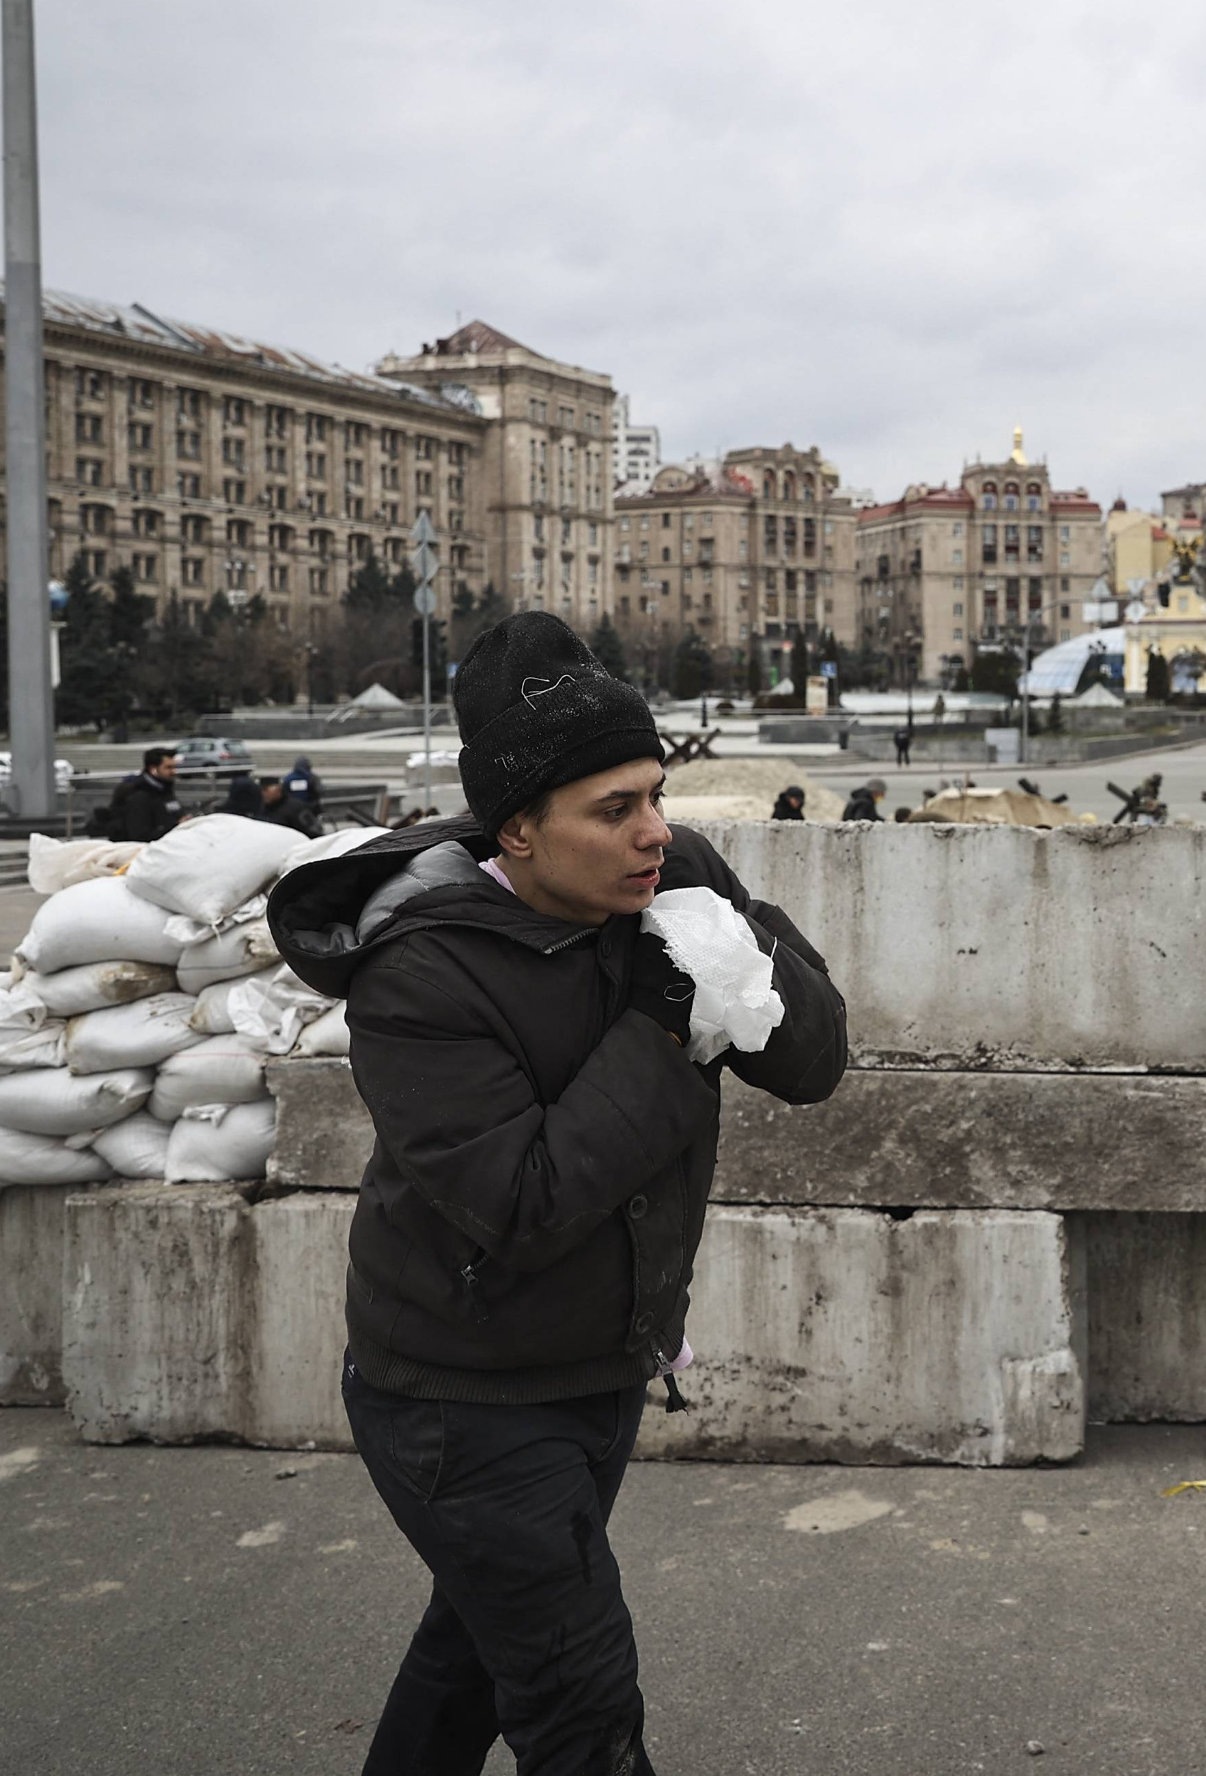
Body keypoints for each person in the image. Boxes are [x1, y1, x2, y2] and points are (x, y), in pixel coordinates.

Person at [266, 611, 847, 1775]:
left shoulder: (669, 877)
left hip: (596, 1365)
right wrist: (672, 1010)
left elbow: (812, 1061)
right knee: (579, 1703)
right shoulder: (421, 971)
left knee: (476, 1657)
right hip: (458, 1395)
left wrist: (735, 943)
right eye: (614, 808)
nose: (653, 831)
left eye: (654, 794)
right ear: (518, 830)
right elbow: (522, 1198)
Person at [109, 746, 183, 843]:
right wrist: (175, 827)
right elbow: (139, 836)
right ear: (153, 769)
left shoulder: (165, 789)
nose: (174, 771)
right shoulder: (138, 796)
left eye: (174, 767)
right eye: (168, 767)